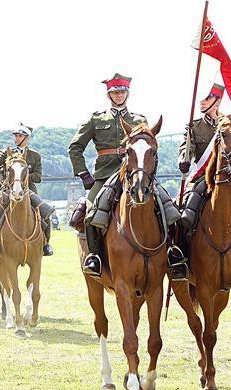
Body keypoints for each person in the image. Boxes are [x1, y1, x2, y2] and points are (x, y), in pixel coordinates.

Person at [68, 73, 182, 277]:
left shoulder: (139, 119)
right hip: (105, 175)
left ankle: (172, 252)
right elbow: (75, 147)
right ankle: (95, 257)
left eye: (122, 92)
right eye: (115, 92)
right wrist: (84, 173)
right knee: (91, 212)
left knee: (169, 209)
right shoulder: (96, 119)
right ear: (109, 94)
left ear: (127, 93)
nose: (119, 95)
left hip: (136, 174)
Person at [177, 83, 231, 274]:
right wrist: (182, 159)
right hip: (204, 178)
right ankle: (180, 257)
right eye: (201, 99)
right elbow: (186, 147)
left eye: (207, 98)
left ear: (217, 101)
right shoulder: (195, 126)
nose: (202, 102)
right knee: (185, 214)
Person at [0, 124, 54, 259]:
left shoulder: (35, 155)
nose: (17, 138)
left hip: (28, 191)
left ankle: (46, 244)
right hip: (8, 191)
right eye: (16, 136)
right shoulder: (7, 152)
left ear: (27, 138)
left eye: (20, 136)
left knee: (46, 212)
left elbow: (38, 177)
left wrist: (22, 175)